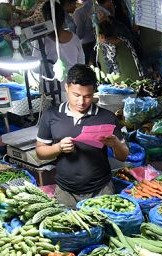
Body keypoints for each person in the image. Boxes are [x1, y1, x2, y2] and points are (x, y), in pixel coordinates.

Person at [36, 65, 129, 207]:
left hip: (101, 190)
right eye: (76, 95)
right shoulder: (51, 116)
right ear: (66, 88)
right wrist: (58, 147)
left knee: (103, 227)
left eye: (87, 96)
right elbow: (40, 152)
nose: (81, 102)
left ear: (94, 92)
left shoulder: (107, 117)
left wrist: (116, 143)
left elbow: (123, 156)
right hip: (66, 192)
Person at [32, 2, 85, 80]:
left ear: (44, 20)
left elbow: (35, 69)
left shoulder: (41, 41)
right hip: (72, 86)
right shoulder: (75, 39)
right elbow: (81, 64)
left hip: (50, 88)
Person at [72, 0, 98, 64]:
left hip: (86, 42)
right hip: (98, 39)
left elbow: (80, 31)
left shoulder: (78, 12)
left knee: (87, 64)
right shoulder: (96, 6)